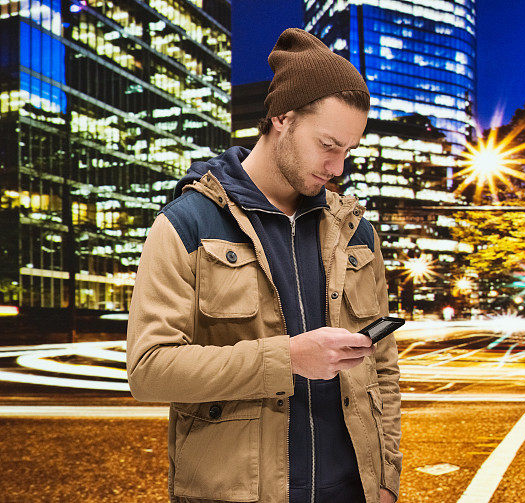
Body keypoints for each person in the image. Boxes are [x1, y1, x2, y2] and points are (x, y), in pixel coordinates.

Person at [126, 28, 401, 503]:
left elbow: (385, 371)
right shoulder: (188, 223)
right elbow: (149, 370)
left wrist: (387, 481)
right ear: (282, 118)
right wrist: (289, 358)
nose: (338, 167)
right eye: (329, 145)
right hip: (237, 494)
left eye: (348, 151)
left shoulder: (357, 232)